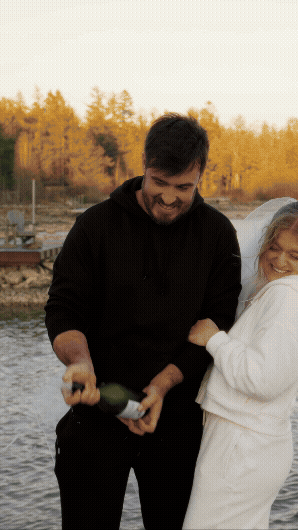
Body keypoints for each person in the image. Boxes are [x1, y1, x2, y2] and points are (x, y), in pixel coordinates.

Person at [45, 113, 241, 530]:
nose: (169, 198)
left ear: (200, 175)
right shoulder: (94, 226)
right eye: (159, 183)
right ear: (144, 166)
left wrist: (163, 384)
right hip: (96, 416)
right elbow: (63, 307)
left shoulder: (218, 234)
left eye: (183, 188)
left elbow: (218, 321)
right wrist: (79, 361)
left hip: (178, 423)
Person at [183, 200, 298, 530]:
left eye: (295, 255)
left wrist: (214, 339)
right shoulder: (275, 291)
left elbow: (264, 379)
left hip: (243, 445)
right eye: (274, 248)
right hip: (250, 441)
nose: (279, 260)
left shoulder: (287, 297)